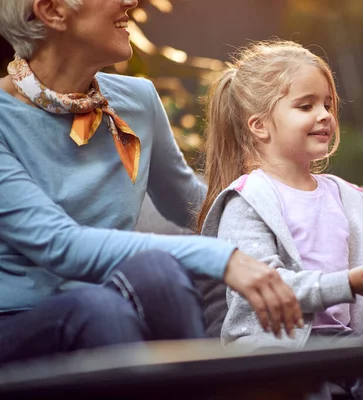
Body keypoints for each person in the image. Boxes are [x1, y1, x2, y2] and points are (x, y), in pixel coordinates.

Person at [0, 0, 303, 364]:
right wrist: (223, 260)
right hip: (19, 322)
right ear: (52, 11)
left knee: (153, 274)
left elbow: (194, 205)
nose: (131, 1)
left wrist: (297, 220)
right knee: (99, 307)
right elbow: (60, 245)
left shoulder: (137, 100)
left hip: (115, 303)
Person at [198, 40, 363, 400]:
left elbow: (360, 294)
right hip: (273, 348)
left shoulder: (347, 196)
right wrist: (347, 284)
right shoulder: (246, 200)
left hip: (344, 341)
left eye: (327, 104)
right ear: (260, 126)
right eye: (305, 105)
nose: (324, 114)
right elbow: (268, 289)